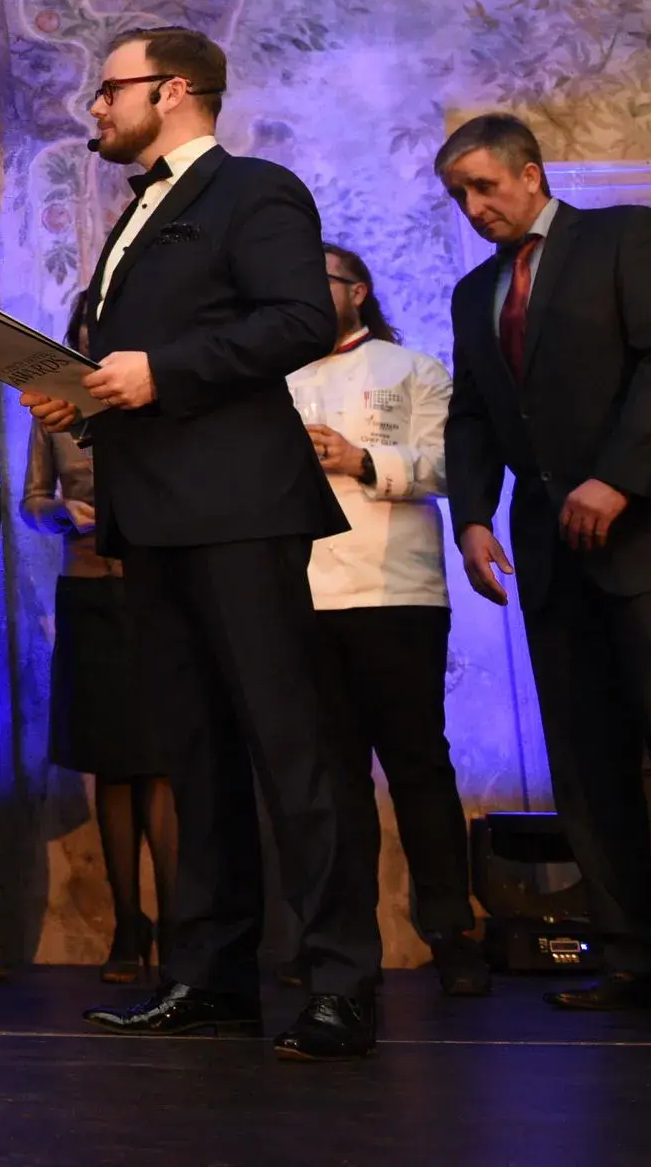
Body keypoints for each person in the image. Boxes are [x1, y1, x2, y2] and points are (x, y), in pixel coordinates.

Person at [25, 26, 377, 1061]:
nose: (96, 107)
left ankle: (340, 980)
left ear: (172, 90)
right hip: (150, 518)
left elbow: (297, 320)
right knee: (195, 756)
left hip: (238, 509)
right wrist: (85, 396)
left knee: (289, 748)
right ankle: (211, 978)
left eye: (111, 89)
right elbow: (146, 363)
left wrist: (159, 371)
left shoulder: (253, 189)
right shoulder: (134, 210)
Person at [438, 112, 651, 1020]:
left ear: (531, 174)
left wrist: (618, 479)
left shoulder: (624, 236)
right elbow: (472, 413)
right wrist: (472, 517)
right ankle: (634, 962)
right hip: (552, 552)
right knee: (587, 768)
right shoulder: (474, 294)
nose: (474, 206)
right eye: (459, 195)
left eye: (485, 186)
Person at [289, 240, 488, 997]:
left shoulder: (414, 370)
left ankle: (452, 935)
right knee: (334, 782)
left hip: (398, 593)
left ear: (358, 291)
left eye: (318, 280)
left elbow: (450, 465)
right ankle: (346, 951)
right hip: (307, 595)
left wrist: (363, 459)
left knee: (418, 767)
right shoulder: (275, 381)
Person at [22, 422, 174, 983]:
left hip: (158, 588)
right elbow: (32, 504)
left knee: (160, 762)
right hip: (88, 590)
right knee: (110, 763)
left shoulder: (155, 398)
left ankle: (178, 927)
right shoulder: (53, 413)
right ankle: (129, 927)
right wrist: (64, 513)